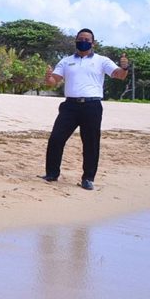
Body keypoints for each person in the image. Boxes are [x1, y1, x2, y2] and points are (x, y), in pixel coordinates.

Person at [42, 30, 130, 190]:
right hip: (70, 106)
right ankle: (51, 174)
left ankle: (88, 178)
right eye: (80, 39)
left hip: (92, 106)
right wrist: (48, 78)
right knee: (56, 138)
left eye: (87, 39)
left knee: (91, 143)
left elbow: (119, 75)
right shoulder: (66, 61)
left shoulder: (102, 60)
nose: (83, 41)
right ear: (75, 41)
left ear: (93, 43)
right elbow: (54, 81)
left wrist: (124, 68)